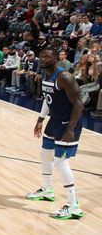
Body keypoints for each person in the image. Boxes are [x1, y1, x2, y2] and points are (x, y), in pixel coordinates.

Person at [25, 43, 84, 219]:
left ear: (56, 58)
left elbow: (79, 104)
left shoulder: (65, 77)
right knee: (45, 154)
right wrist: (40, 119)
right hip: (54, 121)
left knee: (61, 162)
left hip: (68, 124)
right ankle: (47, 190)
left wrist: (70, 129)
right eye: (41, 56)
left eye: (47, 57)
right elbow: (48, 99)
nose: (43, 59)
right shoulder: (46, 75)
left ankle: (73, 206)